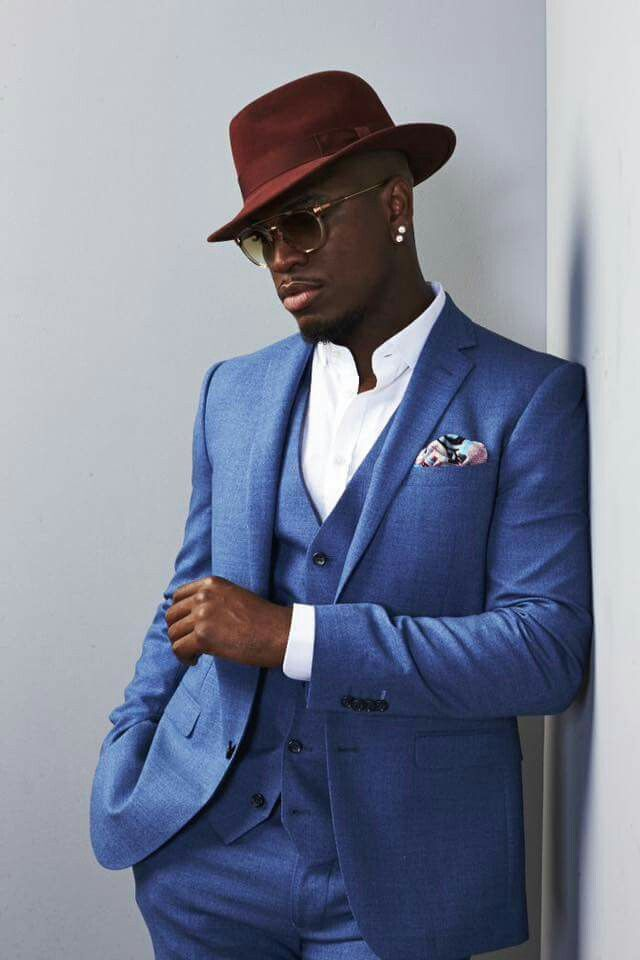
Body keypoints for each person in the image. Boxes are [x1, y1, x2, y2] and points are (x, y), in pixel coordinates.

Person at [89, 70, 592, 960]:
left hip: (401, 882)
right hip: (207, 865)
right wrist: (129, 746)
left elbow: (543, 652)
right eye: (263, 238)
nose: (283, 257)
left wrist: (294, 637)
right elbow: (189, 599)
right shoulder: (234, 393)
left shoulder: (526, 398)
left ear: (395, 204)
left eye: (306, 222)